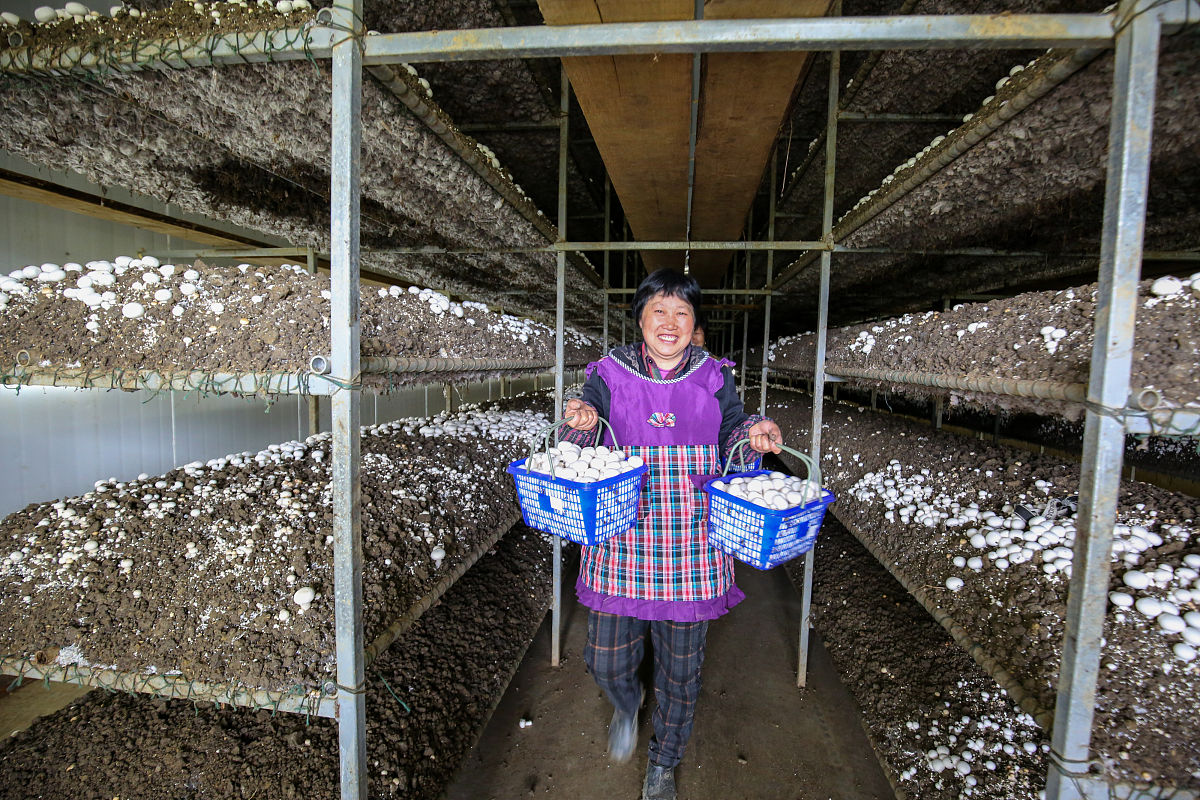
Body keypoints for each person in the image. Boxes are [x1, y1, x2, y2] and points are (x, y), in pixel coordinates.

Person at [561, 268, 782, 800]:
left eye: (682, 312)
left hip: (692, 537)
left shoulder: (713, 374)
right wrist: (582, 418)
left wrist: (752, 433)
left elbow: (733, 432)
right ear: (640, 318)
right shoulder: (610, 372)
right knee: (606, 658)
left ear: (694, 323)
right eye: (658, 310)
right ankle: (625, 702)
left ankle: (663, 762)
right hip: (623, 533)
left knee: (681, 669)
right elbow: (576, 429)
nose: (670, 322)